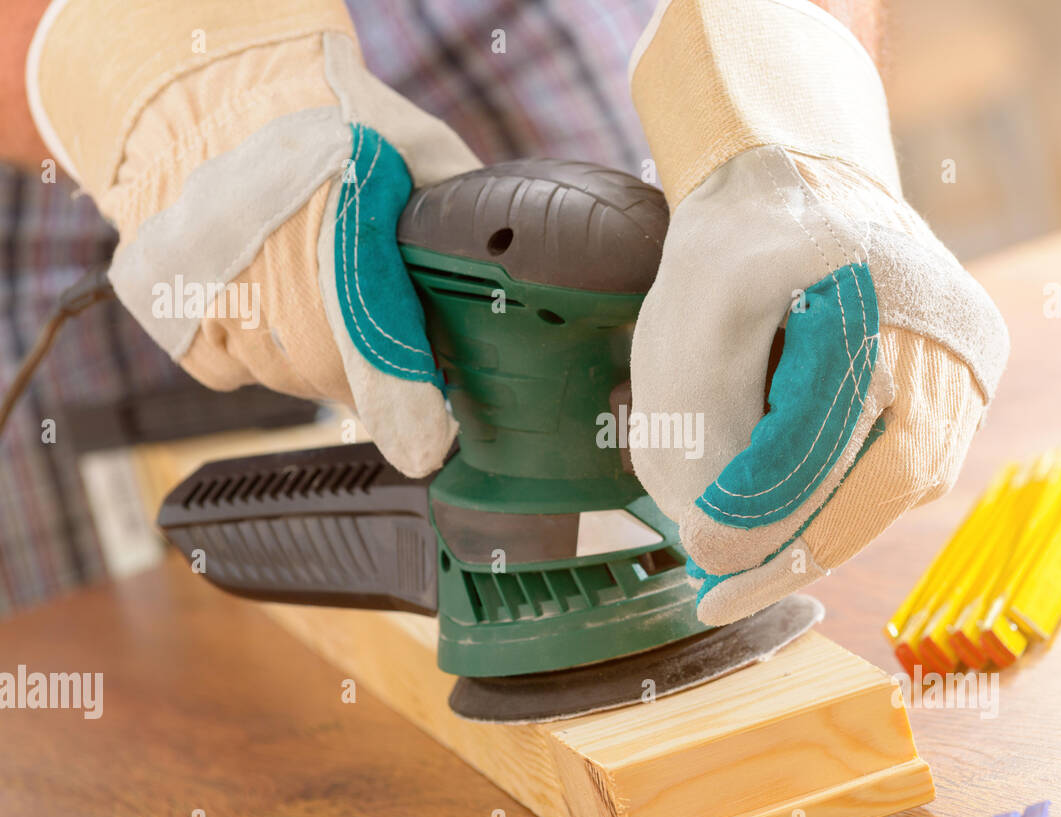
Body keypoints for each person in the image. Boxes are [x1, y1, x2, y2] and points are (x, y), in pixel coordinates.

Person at [6, 0, 1007, 625]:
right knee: (168, 698)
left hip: (558, 35)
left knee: (639, 280)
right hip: (74, 178)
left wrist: (784, 80)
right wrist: (158, 79)